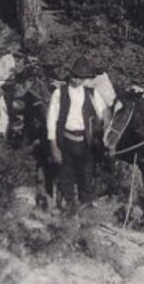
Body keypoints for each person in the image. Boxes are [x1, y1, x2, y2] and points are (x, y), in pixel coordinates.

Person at [47, 55, 108, 215]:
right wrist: (54, 146)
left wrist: (103, 126)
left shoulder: (92, 94)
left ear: (86, 78)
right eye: (75, 76)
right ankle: (68, 209)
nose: (77, 80)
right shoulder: (60, 93)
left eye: (82, 78)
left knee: (86, 176)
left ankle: (85, 211)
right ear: (70, 75)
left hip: (86, 142)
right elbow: (51, 120)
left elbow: (105, 114)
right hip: (65, 141)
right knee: (66, 176)